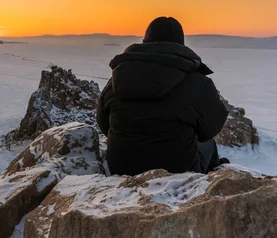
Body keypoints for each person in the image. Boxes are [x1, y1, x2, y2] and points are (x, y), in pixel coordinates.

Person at [97, 16, 229, 175]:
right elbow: (210, 130)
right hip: (177, 172)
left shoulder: (118, 78)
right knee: (210, 144)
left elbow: (103, 122)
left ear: (145, 41)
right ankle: (214, 178)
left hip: (122, 168)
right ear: (181, 45)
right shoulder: (197, 82)